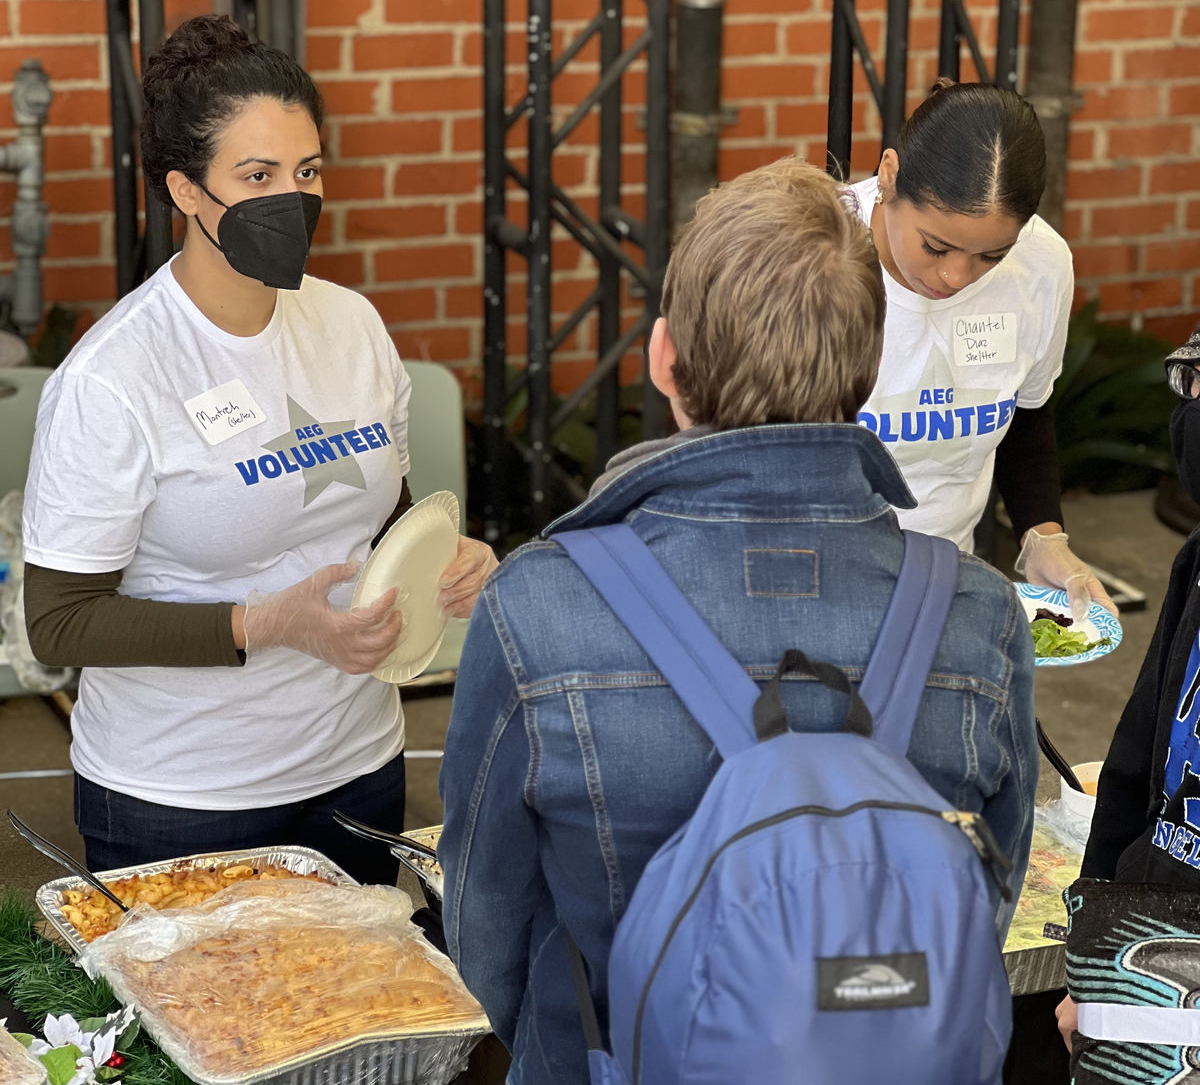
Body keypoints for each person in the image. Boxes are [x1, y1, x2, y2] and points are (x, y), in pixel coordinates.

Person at [438, 157, 1038, 1085]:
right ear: (871, 367)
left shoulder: (542, 607)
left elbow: (487, 931)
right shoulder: (978, 611)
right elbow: (981, 894)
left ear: (664, 358)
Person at [21, 15, 496, 883]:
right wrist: (267, 623)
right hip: (178, 798)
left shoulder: (352, 324)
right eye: (257, 174)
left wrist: (447, 561)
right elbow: (56, 621)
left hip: (356, 766)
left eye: (307, 170)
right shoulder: (116, 376)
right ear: (186, 191)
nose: (293, 196)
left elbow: (384, 516)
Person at [848, 80, 1114, 622]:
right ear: (890, 177)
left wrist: (1043, 537)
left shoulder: (1042, 266)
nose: (955, 277)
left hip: (944, 585)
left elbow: (1027, 414)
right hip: (810, 585)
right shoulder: (810, 253)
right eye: (935, 246)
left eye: (992, 255)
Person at [1055, 331, 1200, 1047]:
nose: (1188, 414)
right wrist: (1095, 960)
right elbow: (1132, 771)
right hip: (1149, 951)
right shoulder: (1197, 562)